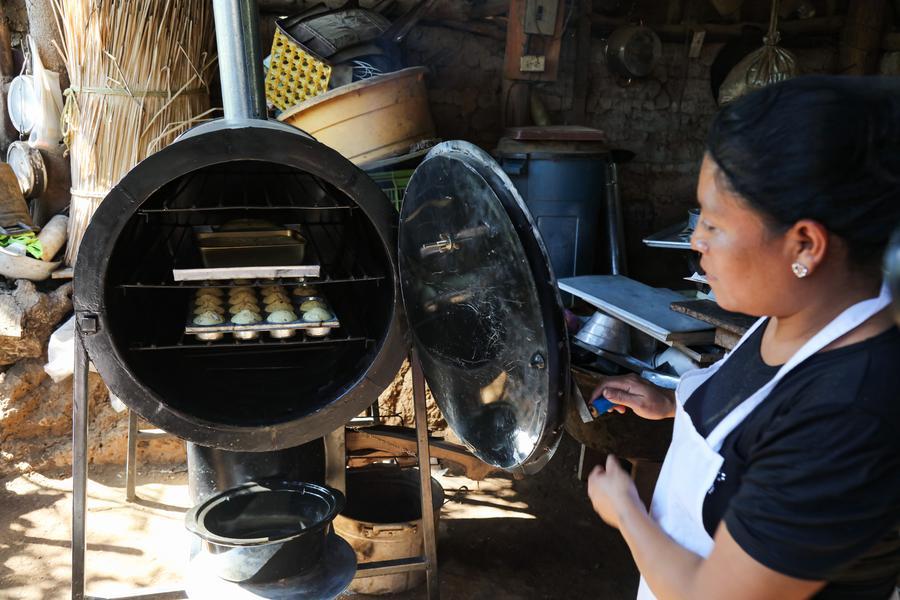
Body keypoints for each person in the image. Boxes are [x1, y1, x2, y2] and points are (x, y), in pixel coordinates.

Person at [586, 75, 900, 600]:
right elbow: (756, 408)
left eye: (712, 223)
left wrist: (626, 511)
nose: (695, 241)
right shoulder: (801, 306)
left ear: (805, 245)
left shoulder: (847, 414)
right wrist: (672, 402)